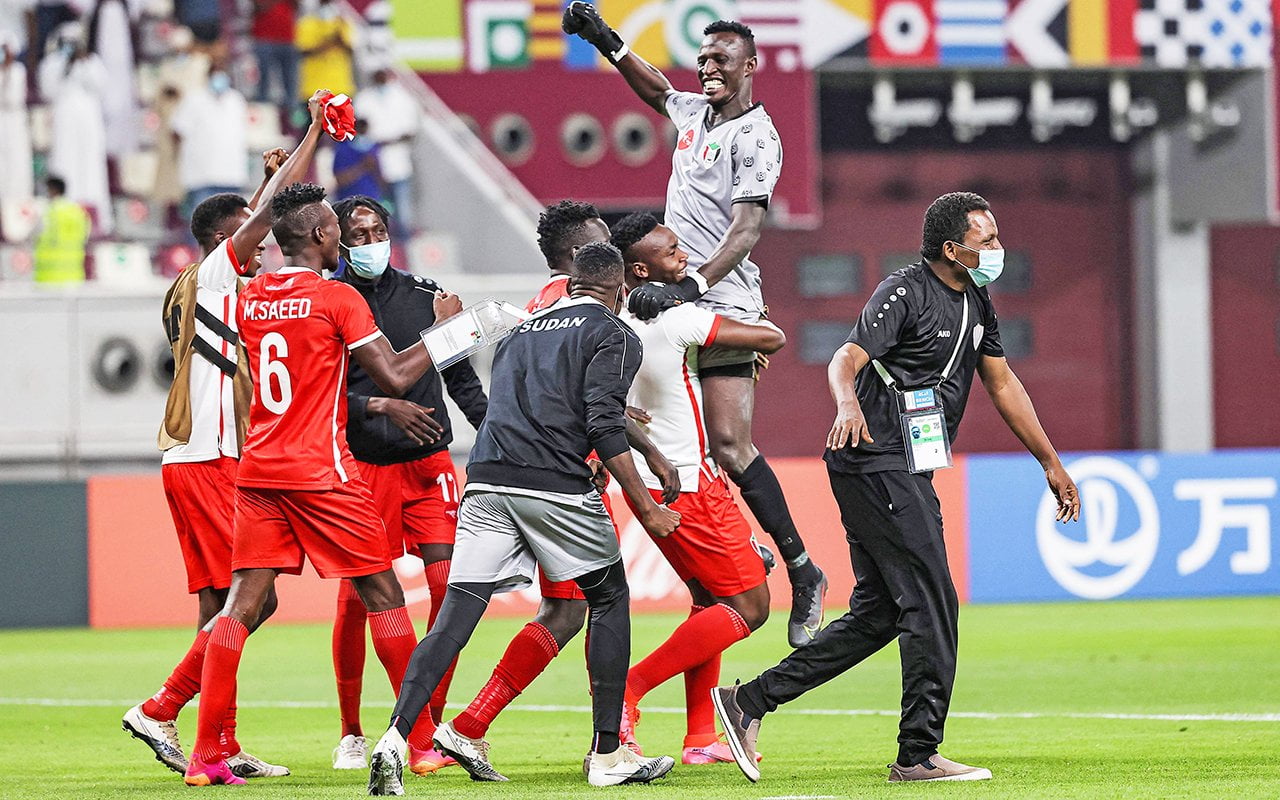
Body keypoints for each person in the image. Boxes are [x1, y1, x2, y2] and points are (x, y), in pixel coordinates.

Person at [712, 192, 1082, 784]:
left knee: (881, 613)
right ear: (951, 248)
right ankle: (918, 753)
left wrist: (1051, 462)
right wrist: (846, 403)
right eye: (986, 241)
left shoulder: (977, 299)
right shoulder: (904, 292)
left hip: (904, 464)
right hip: (873, 459)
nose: (996, 250)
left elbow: (1003, 383)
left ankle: (750, 701)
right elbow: (845, 357)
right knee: (934, 600)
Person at [176, 182, 462, 786]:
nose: (342, 238)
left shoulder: (251, 296)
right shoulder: (337, 298)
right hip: (322, 470)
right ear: (319, 236)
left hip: (258, 470)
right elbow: (393, 374)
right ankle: (417, 743)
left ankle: (205, 757)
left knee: (241, 603)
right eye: (336, 230)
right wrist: (450, 332)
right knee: (384, 596)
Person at [367, 243, 680, 794]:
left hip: (486, 479)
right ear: (619, 289)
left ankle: (395, 737)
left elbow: (553, 402)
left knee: (454, 620)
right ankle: (608, 754)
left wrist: (649, 449)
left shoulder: (522, 331)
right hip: (553, 484)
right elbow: (602, 419)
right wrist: (646, 504)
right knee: (607, 597)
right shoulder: (615, 333)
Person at [562, 7, 827, 646]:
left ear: (750, 66)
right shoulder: (693, 115)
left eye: (721, 60)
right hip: (671, 302)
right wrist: (605, 38)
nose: (708, 68)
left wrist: (691, 286)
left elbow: (746, 231)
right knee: (673, 443)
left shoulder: (758, 137)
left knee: (730, 447)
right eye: (702, 59)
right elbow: (654, 87)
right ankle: (743, 554)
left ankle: (802, 567)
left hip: (722, 299)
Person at [121, 95, 328, 781]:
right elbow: (273, 216)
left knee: (223, 606)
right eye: (249, 234)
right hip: (210, 460)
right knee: (257, 598)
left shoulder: (203, 288)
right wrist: (312, 134)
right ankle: (162, 707)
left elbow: (267, 214)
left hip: (197, 459)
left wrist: (269, 179)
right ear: (221, 240)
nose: (262, 245)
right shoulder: (214, 276)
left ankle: (221, 740)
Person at [610, 212, 782, 763]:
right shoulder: (677, 319)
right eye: (669, 253)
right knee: (751, 604)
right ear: (640, 269)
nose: (682, 257)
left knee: (710, 600)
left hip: (656, 483)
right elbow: (771, 337)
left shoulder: (611, 321)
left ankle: (701, 737)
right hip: (692, 483)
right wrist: (692, 301)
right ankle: (628, 692)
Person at [328, 195, 489, 774]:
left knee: (449, 589)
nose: (371, 241)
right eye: (359, 233)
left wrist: (496, 440)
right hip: (364, 469)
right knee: (357, 600)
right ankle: (350, 729)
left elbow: (463, 382)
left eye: (378, 231)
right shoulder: (332, 301)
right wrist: (383, 408)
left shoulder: (426, 298)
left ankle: (426, 719)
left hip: (429, 470)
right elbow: (320, 397)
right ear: (340, 241)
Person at [39, 28, 112, 233]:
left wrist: (84, 62)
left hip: (89, 121)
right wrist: (66, 65)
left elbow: (102, 86)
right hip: (64, 121)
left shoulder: (93, 62)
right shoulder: (52, 63)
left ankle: (95, 218)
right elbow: (48, 89)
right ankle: (62, 212)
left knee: (92, 167)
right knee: (64, 163)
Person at [171, 63, 249, 218]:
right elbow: (177, 131)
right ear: (208, 77)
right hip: (201, 175)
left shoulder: (236, 100)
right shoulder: (194, 100)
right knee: (203, 223)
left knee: (230, 225)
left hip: (231, 173)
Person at [355, 69, 419, 236]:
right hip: (372, 164)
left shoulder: (403, 97)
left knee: (403, 212)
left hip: (398, 162)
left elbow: (411, 131)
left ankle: (404, 246)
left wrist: (387, 141)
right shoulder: (364, 98)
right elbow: (360, 129)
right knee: (374, 212)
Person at [32, 176, 89, 284]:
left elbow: (34, 237)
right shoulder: (77, 211)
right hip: (74, 275)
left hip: (49, 277)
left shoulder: (47, 212)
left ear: (53, 190)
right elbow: (85, 238)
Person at [296, 0, 353, 102]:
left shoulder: (342, 23)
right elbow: (303, 52)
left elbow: (351, 50)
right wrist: (327, 43)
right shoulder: (307, 23)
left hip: (340, 88)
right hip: (313, 89)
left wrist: (340, 39)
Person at [0, 35, 33, 204]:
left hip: (14, 120)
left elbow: (13, 98)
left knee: (17, 162)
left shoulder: (19, 70)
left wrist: (6, 71)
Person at [250, 0, 298, 106]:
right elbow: (260, 6)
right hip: (264, 37)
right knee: (264, 76)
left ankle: (291, 108)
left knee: (289, 78)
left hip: (286, 37)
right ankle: (263, 104)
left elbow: (296, 5)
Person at [331, 118, 383, 200]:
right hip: (348, 199)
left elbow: (380, 179)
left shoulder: (372, 148)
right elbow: (339, 180)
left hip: (372, 198)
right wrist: (362, 166)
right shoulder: (343, 150)